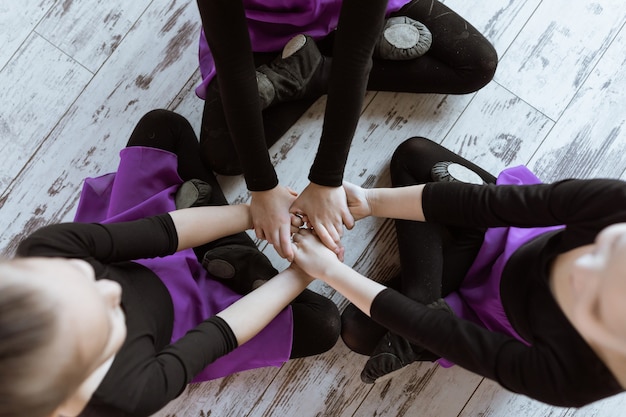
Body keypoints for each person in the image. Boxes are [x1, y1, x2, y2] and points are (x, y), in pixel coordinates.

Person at [0, 109, 340, 417]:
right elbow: (220, 333)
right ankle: (231, 258)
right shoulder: (126, 395)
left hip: (141, 253)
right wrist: (304, 272)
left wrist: (258, 213)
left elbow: (161, 232)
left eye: (80, 276)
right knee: (323, 324)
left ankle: (225, 250)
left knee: (162, 128)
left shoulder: (44, 250)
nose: (107, 288)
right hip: (193, 324)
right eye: (107, 318)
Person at [289, 136, 626, 407]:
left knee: (358, 331)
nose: (582, 268)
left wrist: (329, 271)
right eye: (610, 247)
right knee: (415, 154)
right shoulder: (616, 205)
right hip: (505, 229)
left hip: (487, 318)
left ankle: (432, 305)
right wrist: (371, 201)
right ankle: (427, 298)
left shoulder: (576, 379)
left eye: (594, 302)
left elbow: (445, 335)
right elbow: (491, 204)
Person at [195, 0, 498, 261]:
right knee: (224, 155)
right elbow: (234, 69)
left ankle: (311, 71)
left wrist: (327, 180)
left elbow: (355, 60)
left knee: (475, 63)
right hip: (261, 30)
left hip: (347, 12)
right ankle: (309, 65)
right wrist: (262, 188)